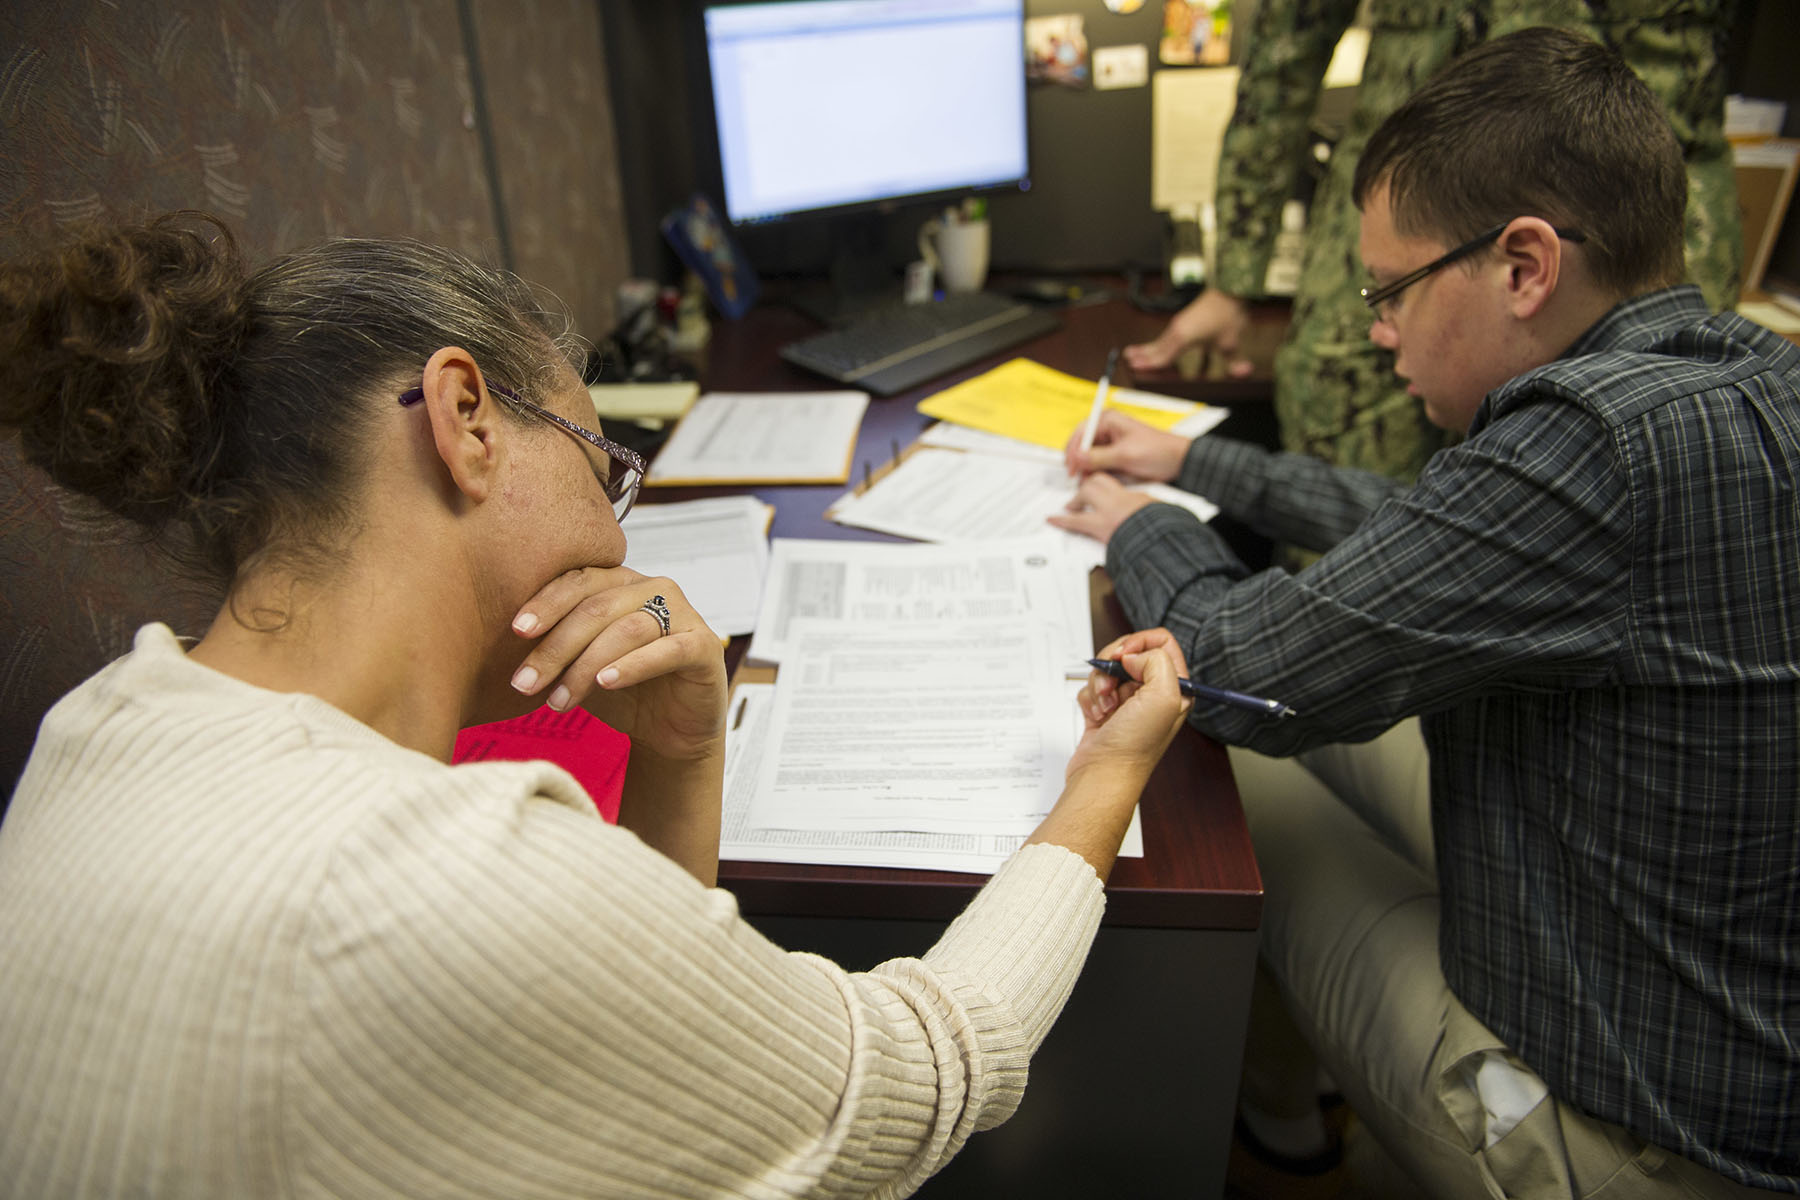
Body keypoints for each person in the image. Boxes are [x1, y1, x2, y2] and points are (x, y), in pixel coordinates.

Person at [0, 214, 1194, 1198]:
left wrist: (681, 752)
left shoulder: (99, 726)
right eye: (598, 463)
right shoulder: (440, 869)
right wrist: (1102, 781)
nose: (617, 533)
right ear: (465, 419)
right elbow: (922, 1081)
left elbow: (646, 1041)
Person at [1056, 27, 1797, 1198]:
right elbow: (1426, 528)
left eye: (1391, 291)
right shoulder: (1740, 374)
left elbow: (1239, 665)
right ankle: (1282, 1110)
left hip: (1635, 1136)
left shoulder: (1587, 445)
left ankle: (1279, 1124)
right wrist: (1201, 468)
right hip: (1724, 1025)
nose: (1375, 330)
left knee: (1219, 775)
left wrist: (1136, 522)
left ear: (1523, 266)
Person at [1125, 0, 1741, 487]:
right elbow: (1285, 54)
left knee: (1616, 480)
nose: (1380, 328)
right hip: (1404, 195)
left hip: (1633, 210)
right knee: (1351, 443)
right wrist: (1233, 274)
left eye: (1387, 301)